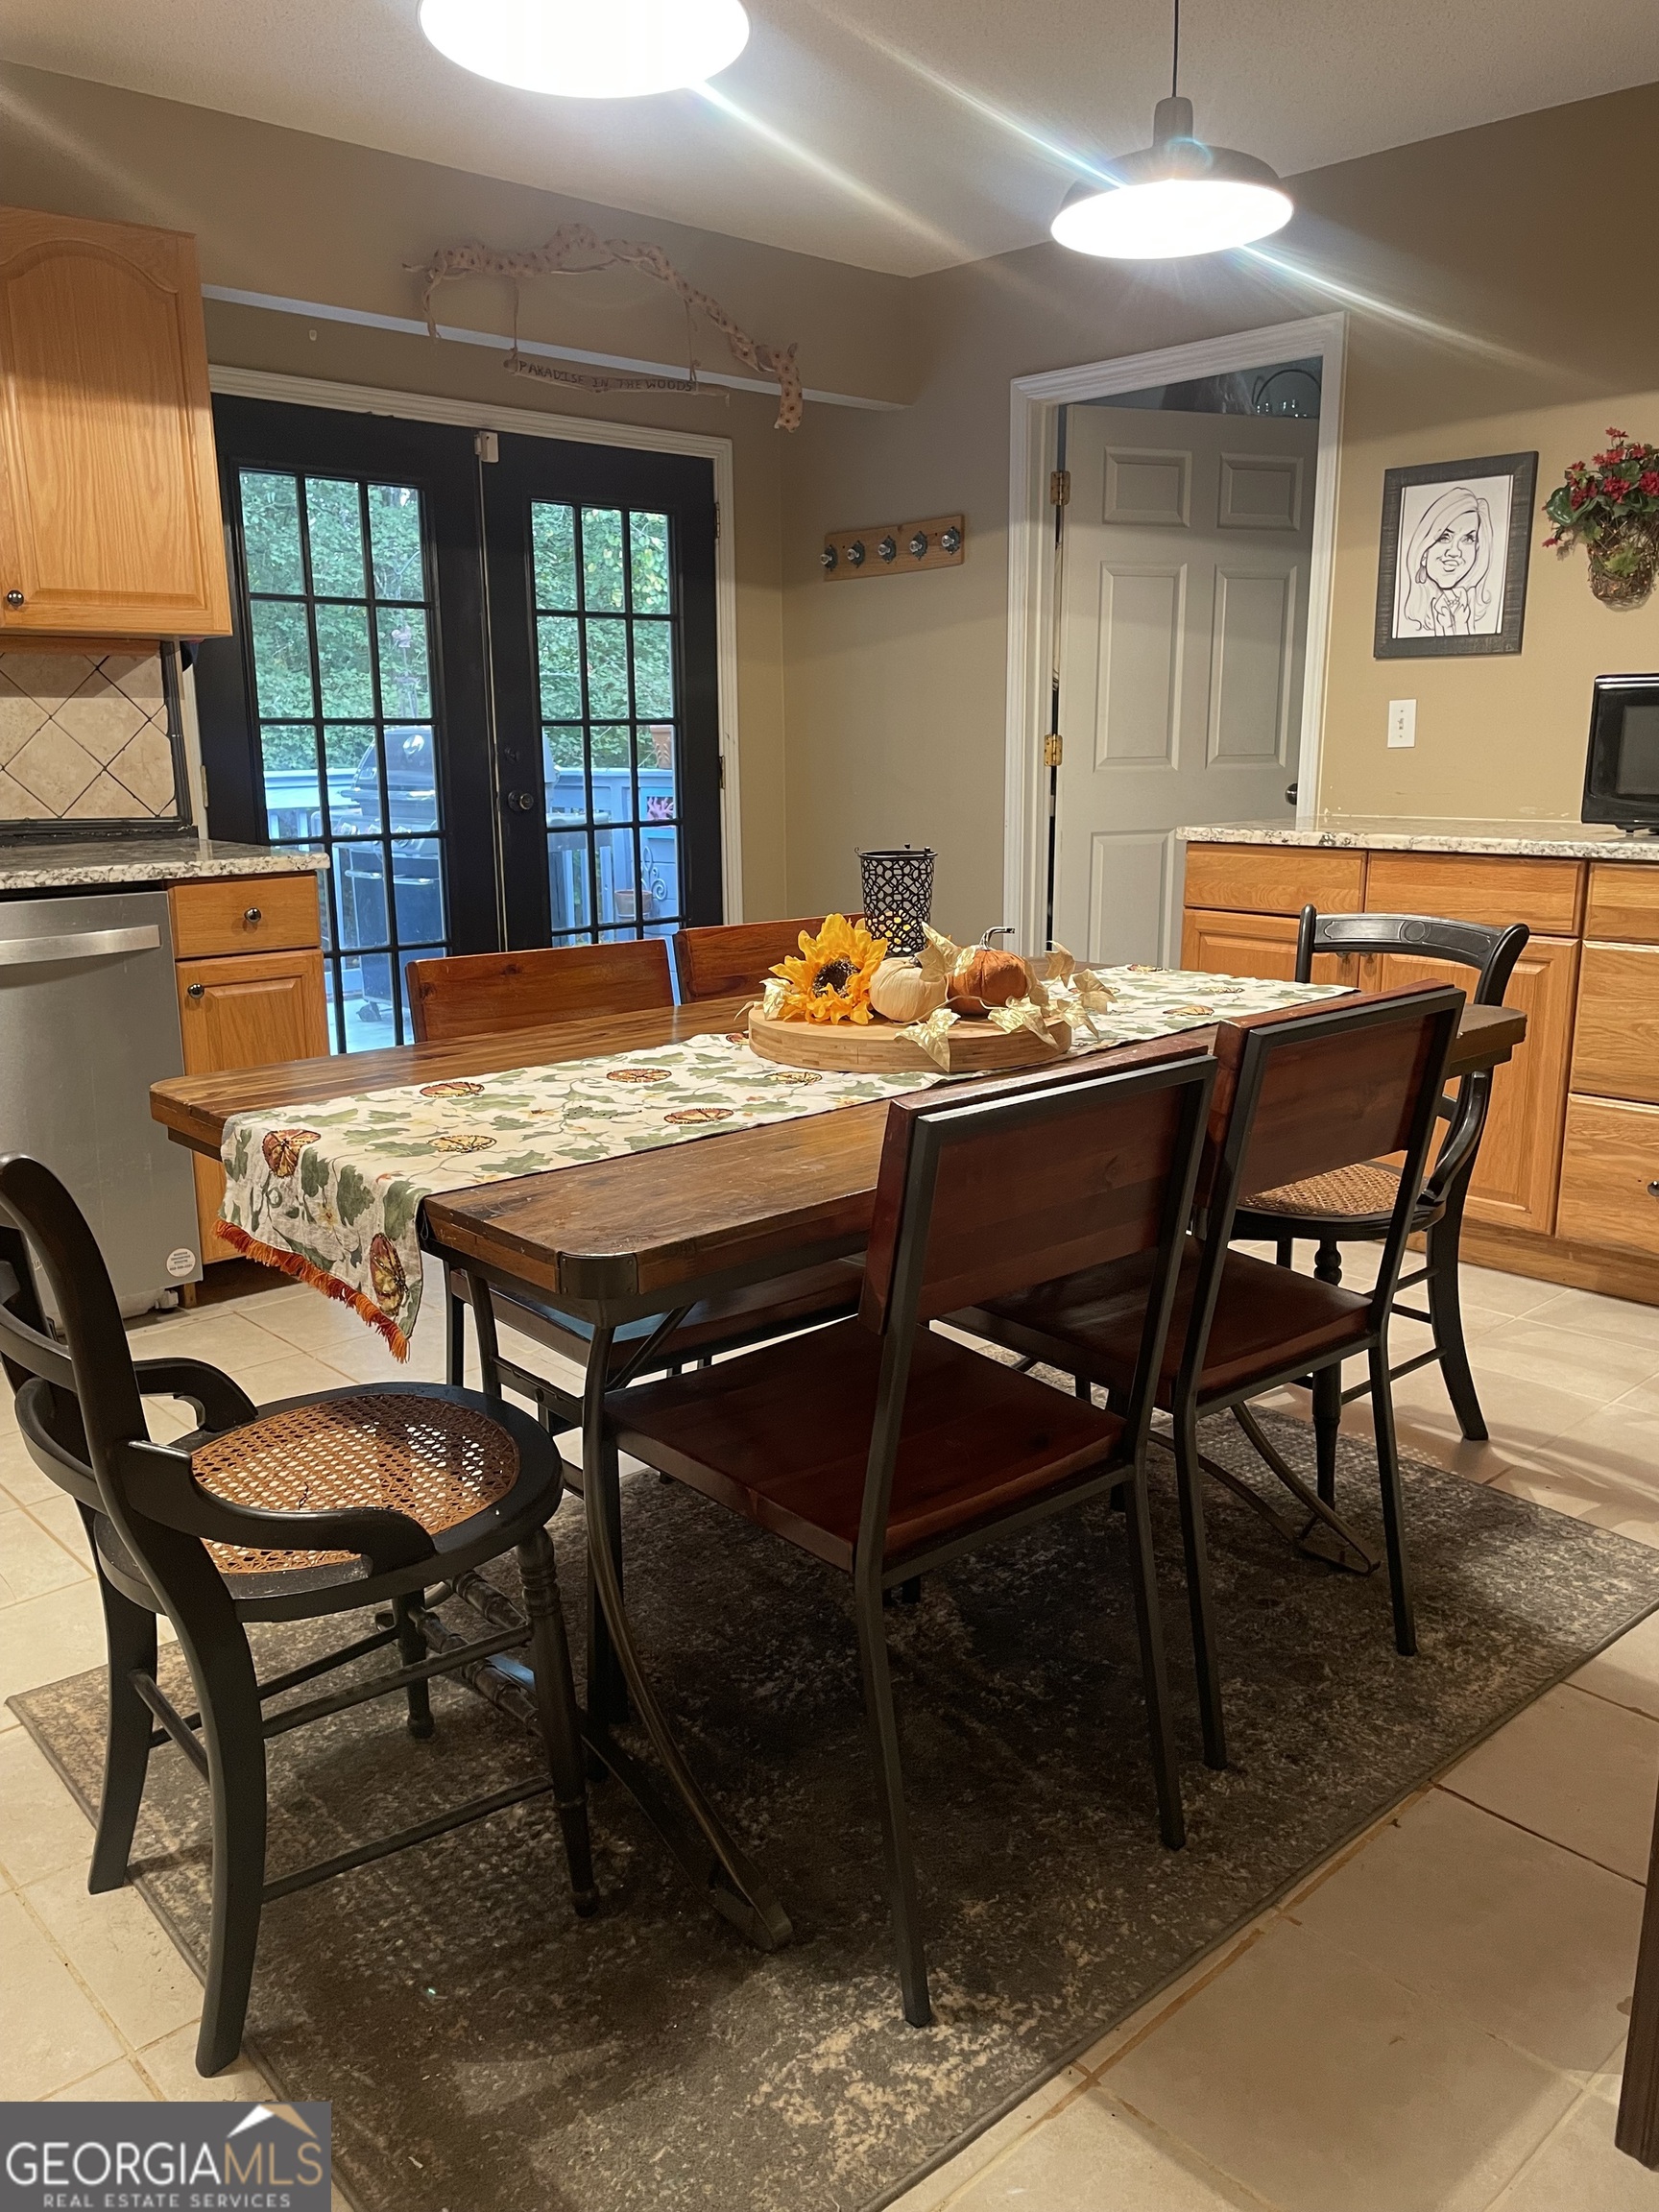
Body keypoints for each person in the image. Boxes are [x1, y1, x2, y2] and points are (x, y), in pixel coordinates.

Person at [1396, 484, 1496, 637]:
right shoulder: (1410, 621)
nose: (1455, 552)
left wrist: (1462, 628)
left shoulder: (1468, 610)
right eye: (1444, 537)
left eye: (1468, 539)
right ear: (1424, 550)